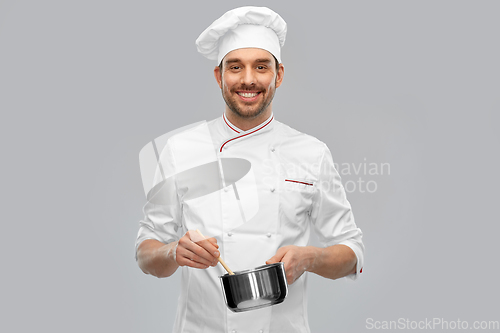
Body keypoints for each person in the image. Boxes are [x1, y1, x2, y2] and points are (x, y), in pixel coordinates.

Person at [135, 6, 364, 333]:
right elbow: (146, 253)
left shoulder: (311, 153)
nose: (248, 79)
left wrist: (309, 258)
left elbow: (352, 254)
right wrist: (173, 252)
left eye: (261, 66)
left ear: (279, 75)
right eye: (235, 67)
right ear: (219, 76)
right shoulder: (181, 150)